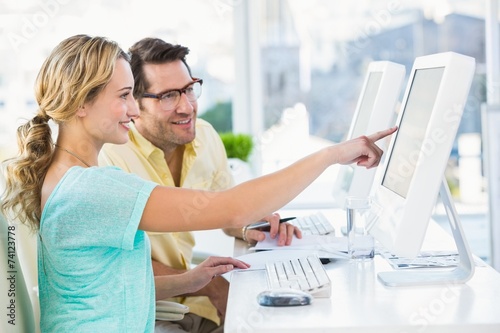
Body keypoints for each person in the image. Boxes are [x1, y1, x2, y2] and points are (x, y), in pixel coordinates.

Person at [0, 34, 396, 332]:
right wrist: (332, 155)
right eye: (124, 96)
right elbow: (232, 208)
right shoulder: (92, 189)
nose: (135, 109)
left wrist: (193, 279)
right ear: (81, 103)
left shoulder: (64, 177)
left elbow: (100, 293)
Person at [98, 37, 301, 332]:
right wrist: (210, 287)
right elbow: (119, 266)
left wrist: (254, 228)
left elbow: (227, 212)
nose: (186, 106)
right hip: (147, 312)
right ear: (135, 103)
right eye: (168, 96)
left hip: (196, 306)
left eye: (189, 89)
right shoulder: (112, 158)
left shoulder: (204, 137)